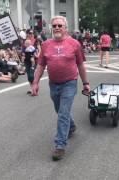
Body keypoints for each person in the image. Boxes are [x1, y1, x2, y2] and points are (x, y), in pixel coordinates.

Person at [31, 16, 90, 161]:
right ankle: (71, 126)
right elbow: (40, 65)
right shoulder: (45, 44)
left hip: (69, 83)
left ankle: (60, 145)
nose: (57, 28)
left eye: (60, 25)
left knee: (63, 113)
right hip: (53, 84)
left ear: (66, 28)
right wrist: (35, 82)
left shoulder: (74, 44)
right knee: (60, 111)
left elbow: (80, 65)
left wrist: (85, 83)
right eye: (55, 25)